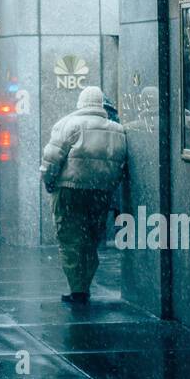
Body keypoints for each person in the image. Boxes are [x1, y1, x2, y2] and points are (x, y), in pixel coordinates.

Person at [40, 86, 127, 305]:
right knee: (91, 239)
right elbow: (120, 165)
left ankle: (77, 289)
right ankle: (85, 283)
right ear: (101, 104)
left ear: (80, 103)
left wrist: (49, 182)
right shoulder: (117, 130)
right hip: (100, 193)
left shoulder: (68, 124)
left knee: (69, 237)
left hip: (69, 190)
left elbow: (51, 160)